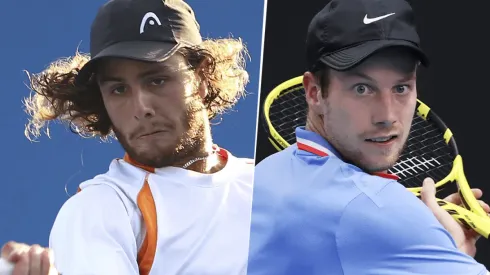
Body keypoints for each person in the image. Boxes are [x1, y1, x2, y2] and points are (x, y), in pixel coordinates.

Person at [1, 0, 254, 274]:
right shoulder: (99, 209)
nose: (141, 108)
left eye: (156, 80)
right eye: (119, 89)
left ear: (202, 77)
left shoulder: (261, 182)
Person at [247, 0, 490, 274]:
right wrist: (450, 249)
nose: (387, 115)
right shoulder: (381, 208)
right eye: (362, 89)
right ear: (314, 92)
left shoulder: (266, 172)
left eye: (401, 88)